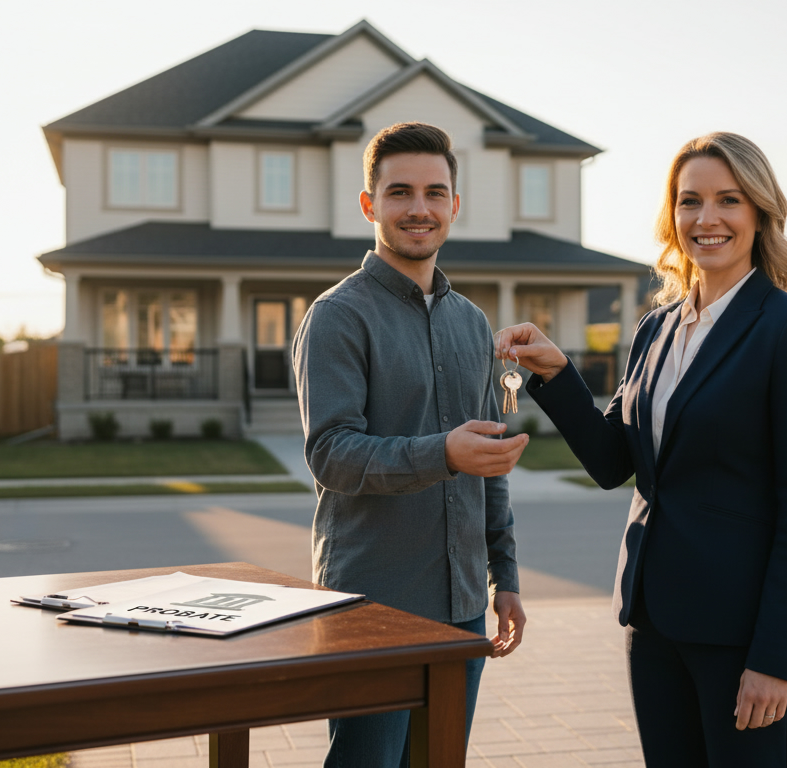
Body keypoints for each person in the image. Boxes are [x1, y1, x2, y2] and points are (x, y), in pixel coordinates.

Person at [495, 132, 787, 767]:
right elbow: (614, 463)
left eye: (727, 200)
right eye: (689, 202)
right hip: (652, 624)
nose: (706, 219)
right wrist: (556, 375)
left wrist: (773, 659)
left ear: (759, 212)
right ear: (672, 215)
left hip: (741, 640)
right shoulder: (655, 329)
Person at [292, 121, 530, 768]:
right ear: (370, 204)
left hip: (461, 607)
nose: (419, 208)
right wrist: (442, 453)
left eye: (434, 192)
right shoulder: (337, 316)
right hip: (373, 604)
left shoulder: (472, 321)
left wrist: (502, 577)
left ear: (455, 204)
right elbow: (332, 455)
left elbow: (488, 460)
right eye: (400, 192)